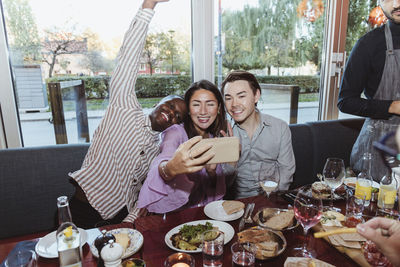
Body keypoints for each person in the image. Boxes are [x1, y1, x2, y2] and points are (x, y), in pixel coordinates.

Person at [68, 0, 188, 228]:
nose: (172, 114)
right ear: (158, 103)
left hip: (119, 220)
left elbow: (146, 191)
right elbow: (128, 60)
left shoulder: (158, 150)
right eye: (170, 105)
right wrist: (148, 6)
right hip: (82, 212)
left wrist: (128, 223)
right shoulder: (124, 109)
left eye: (178, 117)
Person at [137, 80, 228, 213]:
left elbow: (214, 191)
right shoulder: (176, 132)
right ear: (189, 110)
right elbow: (163, 159)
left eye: (210, 104)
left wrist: (211, 172)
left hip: (204, 214)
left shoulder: (213, 137)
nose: (203, 111)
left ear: (218, 108)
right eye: (196, 104)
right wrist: (170, 168)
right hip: (177, 216)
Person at [337, 0, 400, 180]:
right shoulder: (369, 44)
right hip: (378, 152)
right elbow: (345, 101)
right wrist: (392, 107)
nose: (396, 4)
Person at [220, 70, 295, 199]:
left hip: (272, 198)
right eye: (228, 98)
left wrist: (273, 202)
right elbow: (221, 185)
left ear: (256, 95)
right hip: (236, 204)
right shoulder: (222, 133)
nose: (234, 104)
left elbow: (286, 172)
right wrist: (231, 162)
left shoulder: (279, 128)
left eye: (241, 96)